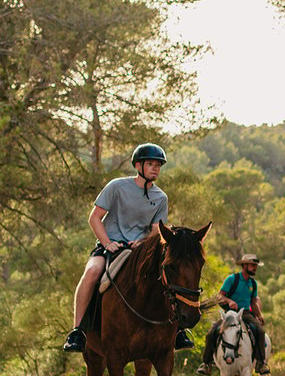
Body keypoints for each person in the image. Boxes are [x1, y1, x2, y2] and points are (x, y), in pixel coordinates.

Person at [62, 143, 195, 353]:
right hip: (110, 247)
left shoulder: (161, 197)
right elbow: (94, 218)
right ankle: (77, 331)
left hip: (141, 250)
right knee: (92, 272)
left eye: (158, 165)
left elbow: (155, 230)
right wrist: (107, 242)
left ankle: (178, 331)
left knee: (169, 273)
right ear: (138, 165)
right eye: (151, 164)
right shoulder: (116, 187)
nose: (155, 168)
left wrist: (142, 242)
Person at [196, 253, 270, 376]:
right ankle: (207, 363)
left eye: (255, 265)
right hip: (230, 314)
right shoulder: (232, 279)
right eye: (252, 265)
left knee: (260, 331)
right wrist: (230, 301)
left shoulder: (253, 283)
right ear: (244, 265)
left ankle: (261, 363)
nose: (255, 267)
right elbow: (220, 295)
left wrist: (259, 315)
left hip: (246, 314)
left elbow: (253, 301)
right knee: (212, 332)